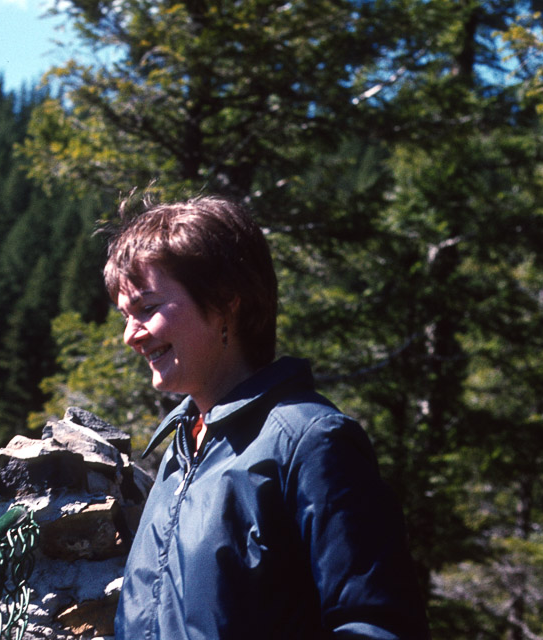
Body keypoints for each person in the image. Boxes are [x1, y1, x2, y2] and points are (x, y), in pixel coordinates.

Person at [105, 195, 430, 639]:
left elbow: (377, 625)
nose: (130, 335)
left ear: (224, 303)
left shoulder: (312, 442)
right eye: (125, 315)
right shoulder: (179, 453)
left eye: (147, 308)